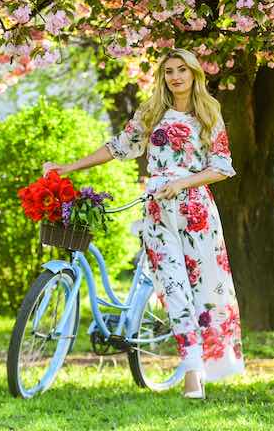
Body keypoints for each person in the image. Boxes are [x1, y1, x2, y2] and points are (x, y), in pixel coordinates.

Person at [42, 48, 245, 399]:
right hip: (155, 210)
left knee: (203, 289)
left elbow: (222, 167)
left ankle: (200, 368)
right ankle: (192, 372)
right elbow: (118, 148)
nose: (175, 76)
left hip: (195, 211)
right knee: (173, 286)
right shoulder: (151, 113)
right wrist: (68, 167)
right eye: (168, 71)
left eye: (182, 70)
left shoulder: (209, 113)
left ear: (195, 74)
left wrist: (182, 182)